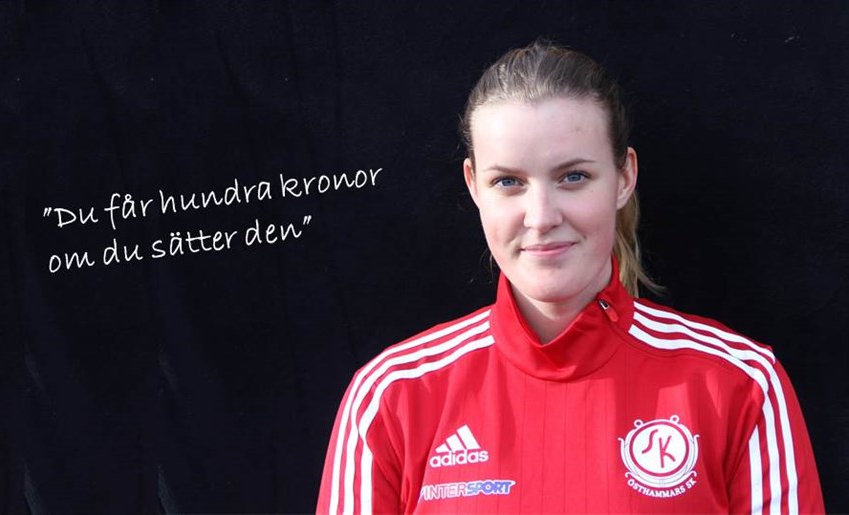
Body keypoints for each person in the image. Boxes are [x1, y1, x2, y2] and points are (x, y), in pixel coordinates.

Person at [316, 41, 824, 514]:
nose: (541, 217)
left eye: (573, 177)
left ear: (624, 177)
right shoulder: (391, 396)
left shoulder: (740, 383)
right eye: (508, 181)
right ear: (473, 186)